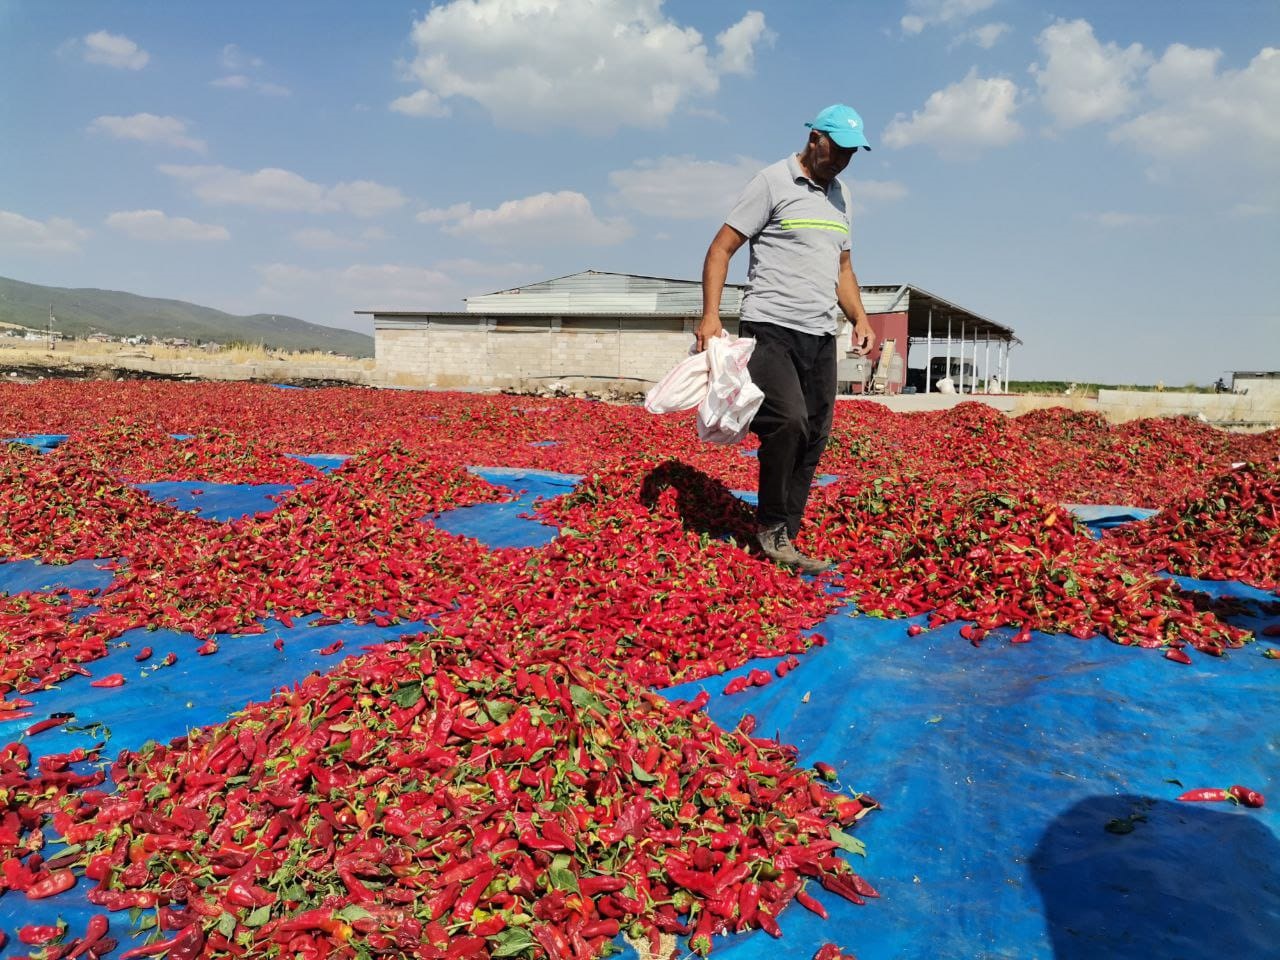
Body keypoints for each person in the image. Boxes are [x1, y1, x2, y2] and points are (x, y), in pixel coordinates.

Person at [696, 104, 876, 573]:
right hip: (770, 326)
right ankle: (772, 527)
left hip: (820, 334)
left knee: (815, 436)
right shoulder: (772, 182)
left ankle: (785, 540)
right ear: (815, 138)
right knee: (788, 422)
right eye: (837, 149)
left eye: (851, 154)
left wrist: (859, 316)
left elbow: (843, 269)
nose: (842, 160)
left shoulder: (843, 198)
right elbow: (721, 248)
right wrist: (711, 315)